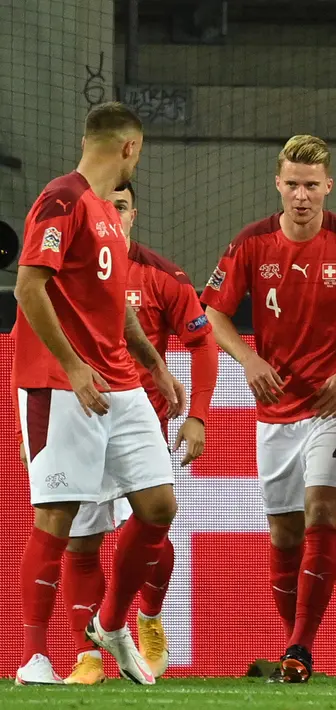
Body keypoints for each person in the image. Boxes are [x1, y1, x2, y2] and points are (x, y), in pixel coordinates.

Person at [14, 102, 184, 686]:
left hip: (121, 382)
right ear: (131, 148)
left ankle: (111, 623)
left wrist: (155, 365)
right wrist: (72, 364)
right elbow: (27, 287)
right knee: (58, 515)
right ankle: (33, 657)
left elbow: (113, 308)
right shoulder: (62, 198)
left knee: (159, 505)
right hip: (63, 384)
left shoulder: (106, 213)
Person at [202, 135, 336, 683]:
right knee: (284, 536)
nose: (302, 196)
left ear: (329, 185)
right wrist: (248, 361)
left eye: (312, 185)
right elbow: (213, 310)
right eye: (293, 184)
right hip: (277, 409)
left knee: (324, 516)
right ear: (278, 184)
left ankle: (301, 646)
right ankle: (292, 649)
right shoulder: (251, 243)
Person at [58, 181, 218, 685]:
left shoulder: (162, 276)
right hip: (77, 420)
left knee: (157, 529)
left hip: (138, 426)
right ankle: (88, 656)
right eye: (106, 207)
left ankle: (146, 616)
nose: (114, 215)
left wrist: (198, 415)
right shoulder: (65, 270)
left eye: (122, 207)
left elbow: (204, 344)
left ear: (133, 215)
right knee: (80, 544)